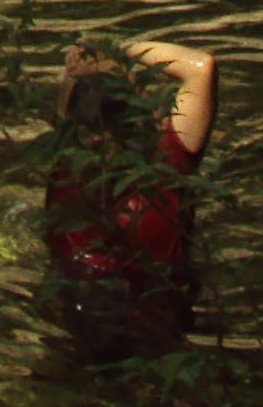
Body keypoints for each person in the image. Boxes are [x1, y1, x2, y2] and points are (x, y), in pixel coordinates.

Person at [44, 35, 218, 361]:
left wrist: (113, 52)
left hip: (156, 324)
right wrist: (102, 56)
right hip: (81, 316)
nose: (98, 139)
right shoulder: (65, 162)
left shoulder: (166, 164)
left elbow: (203, 67)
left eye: (109, 120)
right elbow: (198, 68)